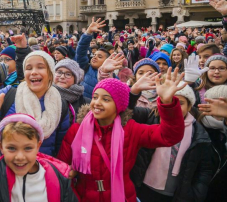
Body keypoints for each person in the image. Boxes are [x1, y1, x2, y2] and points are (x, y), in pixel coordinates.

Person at [57, 70, 185, 202]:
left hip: (122, 195)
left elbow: (169, 136)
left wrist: (167, 103)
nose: (97, 103)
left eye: (106, 99)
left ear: (118, 105)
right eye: (95, 97)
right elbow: (61, 168)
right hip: (83, 196)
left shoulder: (131, 130)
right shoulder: (77, 130)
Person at [0, 78, 78, 201]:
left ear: (38, 145)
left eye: (28, 148)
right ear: (0, 147)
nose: (20, 156)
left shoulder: (59, 177)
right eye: (12, 148)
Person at [132, 83, 214, 201]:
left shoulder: (199, 133)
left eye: (180, 103)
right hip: (144, 189)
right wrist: (134, 92)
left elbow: (204, 168)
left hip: (177, 194)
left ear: (190, 106)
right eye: (170, 101)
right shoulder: (149, 117)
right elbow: (125, 112)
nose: (174, 107)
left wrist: (196, 193)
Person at [76, 18, 110, 98]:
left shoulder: (112, 76)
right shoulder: (85, 67)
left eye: (100, 56)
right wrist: (88, 32)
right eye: (94, 55)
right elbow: (81, 50)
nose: (95, 57)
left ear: (107, 61)